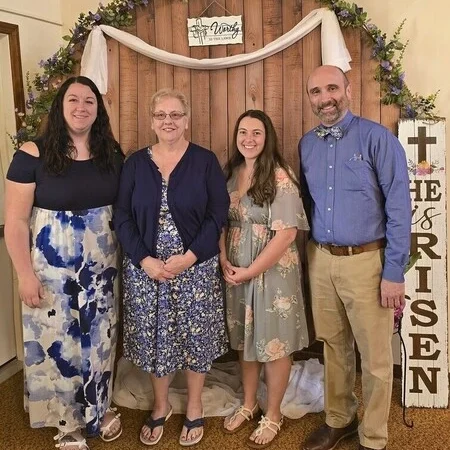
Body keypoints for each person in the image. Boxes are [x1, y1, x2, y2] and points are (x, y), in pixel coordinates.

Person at [4, 76, 124, 450]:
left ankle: (98, 407)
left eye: (89, 101)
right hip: (51, 270)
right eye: (73, 100)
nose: (81, 107)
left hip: (103, 270)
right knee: (60, 344)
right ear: (60, 106)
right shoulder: (32, 154)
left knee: (101, 341)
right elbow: (17, 221)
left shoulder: (110, 152)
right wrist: (24, 274)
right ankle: (66, 420)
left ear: (97, 110)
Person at [298, 65, 411, 450]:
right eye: (316, 91)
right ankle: (339, 419)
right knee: (333, 345)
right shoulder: (307, 144)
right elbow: (308, 204)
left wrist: (394, 271)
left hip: (369, 262)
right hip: (321, 259)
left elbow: (399, 207)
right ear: (310, 98)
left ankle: (374, 437)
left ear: (348, 89)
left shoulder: (377, 138)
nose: (325, 97)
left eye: (332, 88)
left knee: (376, 357)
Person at [113, 88, 229, 447]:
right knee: (154, 337)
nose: (169, 121)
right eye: (161, 115)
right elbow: (122, 216)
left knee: (196, 337)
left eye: (176, 114)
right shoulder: (134, 164)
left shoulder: (205, 161)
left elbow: (218, 213)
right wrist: (145, 260)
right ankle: (160, 405)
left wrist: (192, 256)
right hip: (146, 269)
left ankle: (194, 406)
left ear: (186, 120)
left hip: (195, 266)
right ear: (151, 121)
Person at [220, 110, 310, 449]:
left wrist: (251, 270)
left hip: (272, 271)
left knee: (273, 342)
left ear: (267, 136)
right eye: (243, 132)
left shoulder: (280, 175)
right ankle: (248, 403)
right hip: (237, 268)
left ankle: (273, 413)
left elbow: (286, 235)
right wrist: (224, 257)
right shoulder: (231, 173)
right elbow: (222, 221)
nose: (248, 139)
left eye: (256, 132)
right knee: (246, 338)